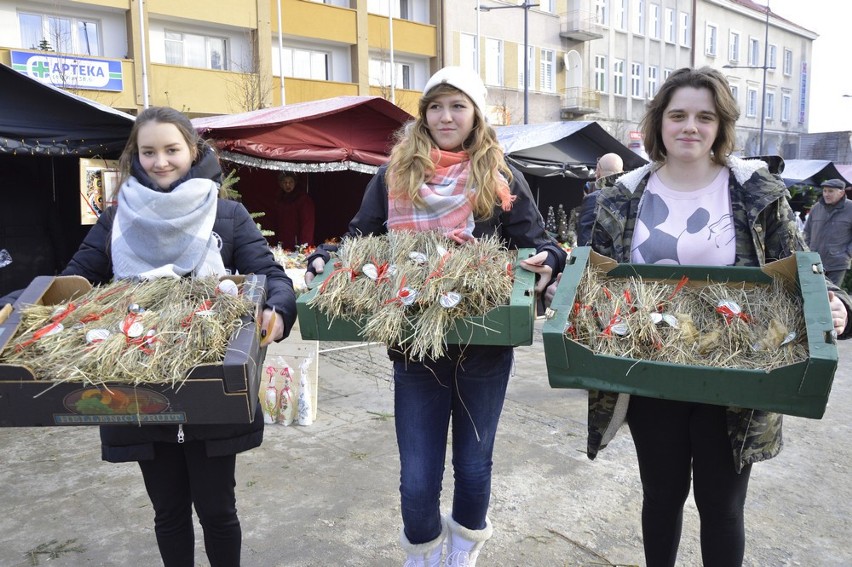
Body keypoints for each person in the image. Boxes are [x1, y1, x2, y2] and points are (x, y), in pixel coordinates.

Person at [547, 67, 852, 567]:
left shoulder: (757, 191)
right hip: (648, 371)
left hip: (737, 376)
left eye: (704, 116)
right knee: (661, 498)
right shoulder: (622, 196)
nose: (690, 126)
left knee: (723, 508)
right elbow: (594, 271)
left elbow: (800, 265)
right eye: (678, 115)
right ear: (659, 123)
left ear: (721, 125)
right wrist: (570, 291)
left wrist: (837, 302)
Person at [1, 106, 297, 567]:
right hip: (135, 390)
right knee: (168, 511)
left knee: (218, 511)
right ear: (135, 157)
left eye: (171, 150)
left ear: (193, 151)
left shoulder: (227, 215)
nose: (160, 161)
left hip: (211, 383)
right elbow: (74, 282)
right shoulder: (116, 219)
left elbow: (270, 276)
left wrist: (276, 311)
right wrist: (22, 302)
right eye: (149, 152)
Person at [304, 66, 566, 566]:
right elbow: (362, 235)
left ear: (476, 115)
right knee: (418, 471)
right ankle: (422, 553)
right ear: (423, 114)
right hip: (413, 340)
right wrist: (328, 255)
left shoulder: (501, 176)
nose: (446, 116)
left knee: (473, 463)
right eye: (436, 106)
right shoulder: (393, 174)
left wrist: (549, 260)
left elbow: (540, 243)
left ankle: (464, 550)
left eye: (457, 106)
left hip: (484, 340)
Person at [803, 178, 852, 286]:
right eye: (825, 191)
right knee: (814, 290)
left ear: (841, 192)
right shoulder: (816, 208)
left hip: (837, 263)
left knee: (831, 295)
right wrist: (808, 251)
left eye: (830, 191)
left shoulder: (850, 208)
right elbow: (807, 232)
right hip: (814, 261)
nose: (826, 194)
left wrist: (847, 254)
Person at [576, 152, 624, 246]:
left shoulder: (594, 199)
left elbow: (584, 240)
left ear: (598, 171)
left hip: (602, 259)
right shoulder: (633, 197)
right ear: (622, 171)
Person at [273, 171, 315, 249]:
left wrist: (304, 246)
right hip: (284, 243)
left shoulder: (303, 200)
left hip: (299, 245)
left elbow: (308, 224)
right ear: (281, 184)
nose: (288, 185)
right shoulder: (280, 199)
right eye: (285, 182)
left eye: (291, 182)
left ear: (295, 183)